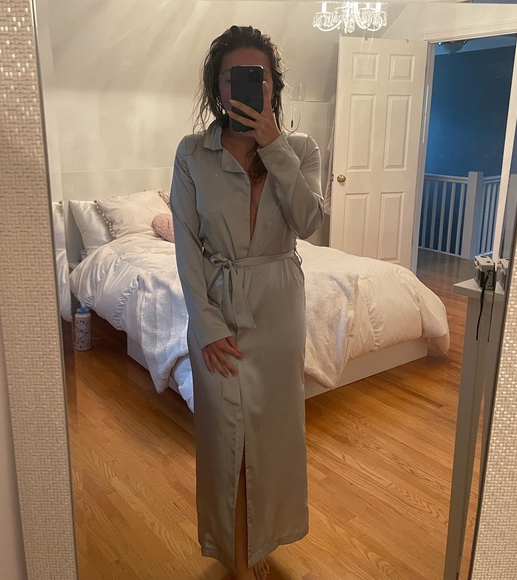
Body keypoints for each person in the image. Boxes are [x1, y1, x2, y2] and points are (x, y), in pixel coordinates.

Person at [170, 25, 323, 580]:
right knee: (225, 442)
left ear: (272, 85)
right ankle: (232, 548)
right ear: (217, 87)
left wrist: (273, 146)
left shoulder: (301, 150)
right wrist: (206, 325)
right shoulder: (192, 153)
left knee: (273, 438)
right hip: (217, 309)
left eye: (256, 77)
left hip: (280, 311)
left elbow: (309, 222)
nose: (245, 88)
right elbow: (186, 244)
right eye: (233, 77)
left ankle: (262, 545)